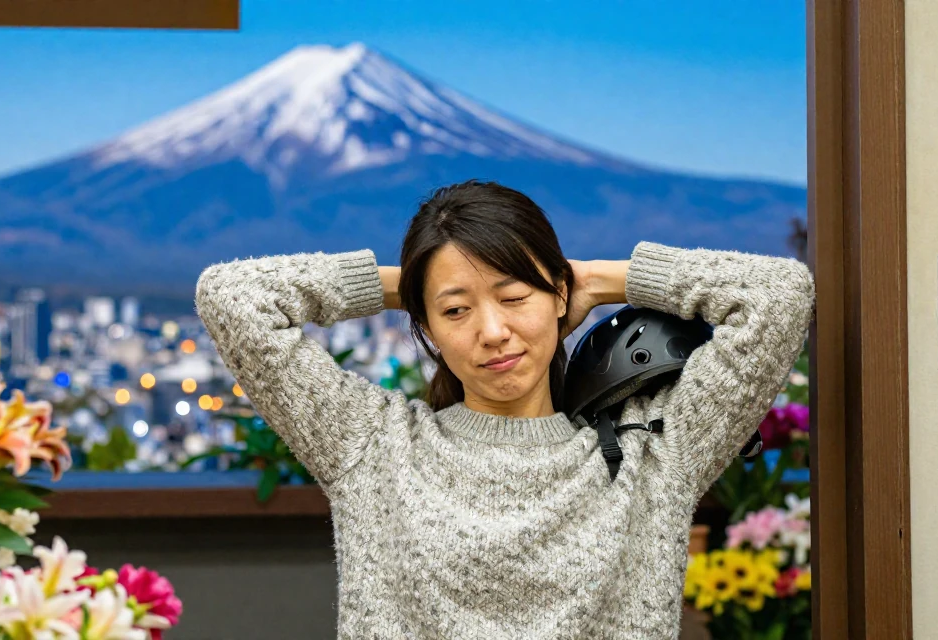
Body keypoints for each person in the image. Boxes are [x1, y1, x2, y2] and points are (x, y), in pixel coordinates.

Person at [194, 180, 815, 639]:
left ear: (558, 296)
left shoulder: (653, 448)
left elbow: (780, 296)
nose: (492, 331)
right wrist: (414, 283)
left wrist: (600, 278)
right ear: (429, 329)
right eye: (457, 311)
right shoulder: (373, 445)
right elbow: (230, 297)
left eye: (515, 295)